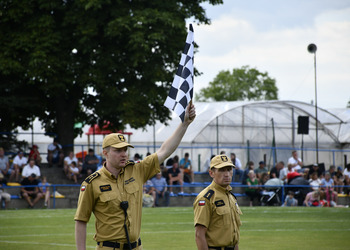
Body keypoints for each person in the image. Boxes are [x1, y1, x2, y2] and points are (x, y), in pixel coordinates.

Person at [74, 103, 196, 250]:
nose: (124, 154)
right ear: (105, 153)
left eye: (125, 149)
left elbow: (164, 151)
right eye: (118, 150)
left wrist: (184, 124)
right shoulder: (91, 183)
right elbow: (81, 220)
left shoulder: (137, 170)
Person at [193, 154, 242, 250]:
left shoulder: (231, 196)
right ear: (211, 173)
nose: (227, 174)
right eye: (222, 170)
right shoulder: (206, 198)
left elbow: (233, 236)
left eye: (229, 169)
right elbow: (199, 234)